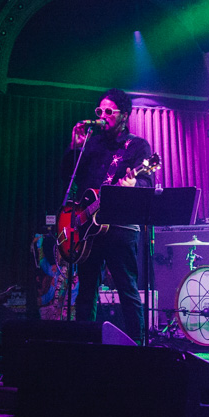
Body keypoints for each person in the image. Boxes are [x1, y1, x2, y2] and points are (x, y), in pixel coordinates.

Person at [62, 88, 154, 344]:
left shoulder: (137, 146)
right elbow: (69, 179)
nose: (102, 115)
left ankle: (137, 346)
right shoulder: (91, 145)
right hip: (88, 229)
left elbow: (147, 183)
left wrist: (132, 186)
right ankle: (84, 345)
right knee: (86, 292)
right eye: (99, 111)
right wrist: (75, 147)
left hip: (120, 228)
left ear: (123, 115)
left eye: (108, 111)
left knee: (127, 289)